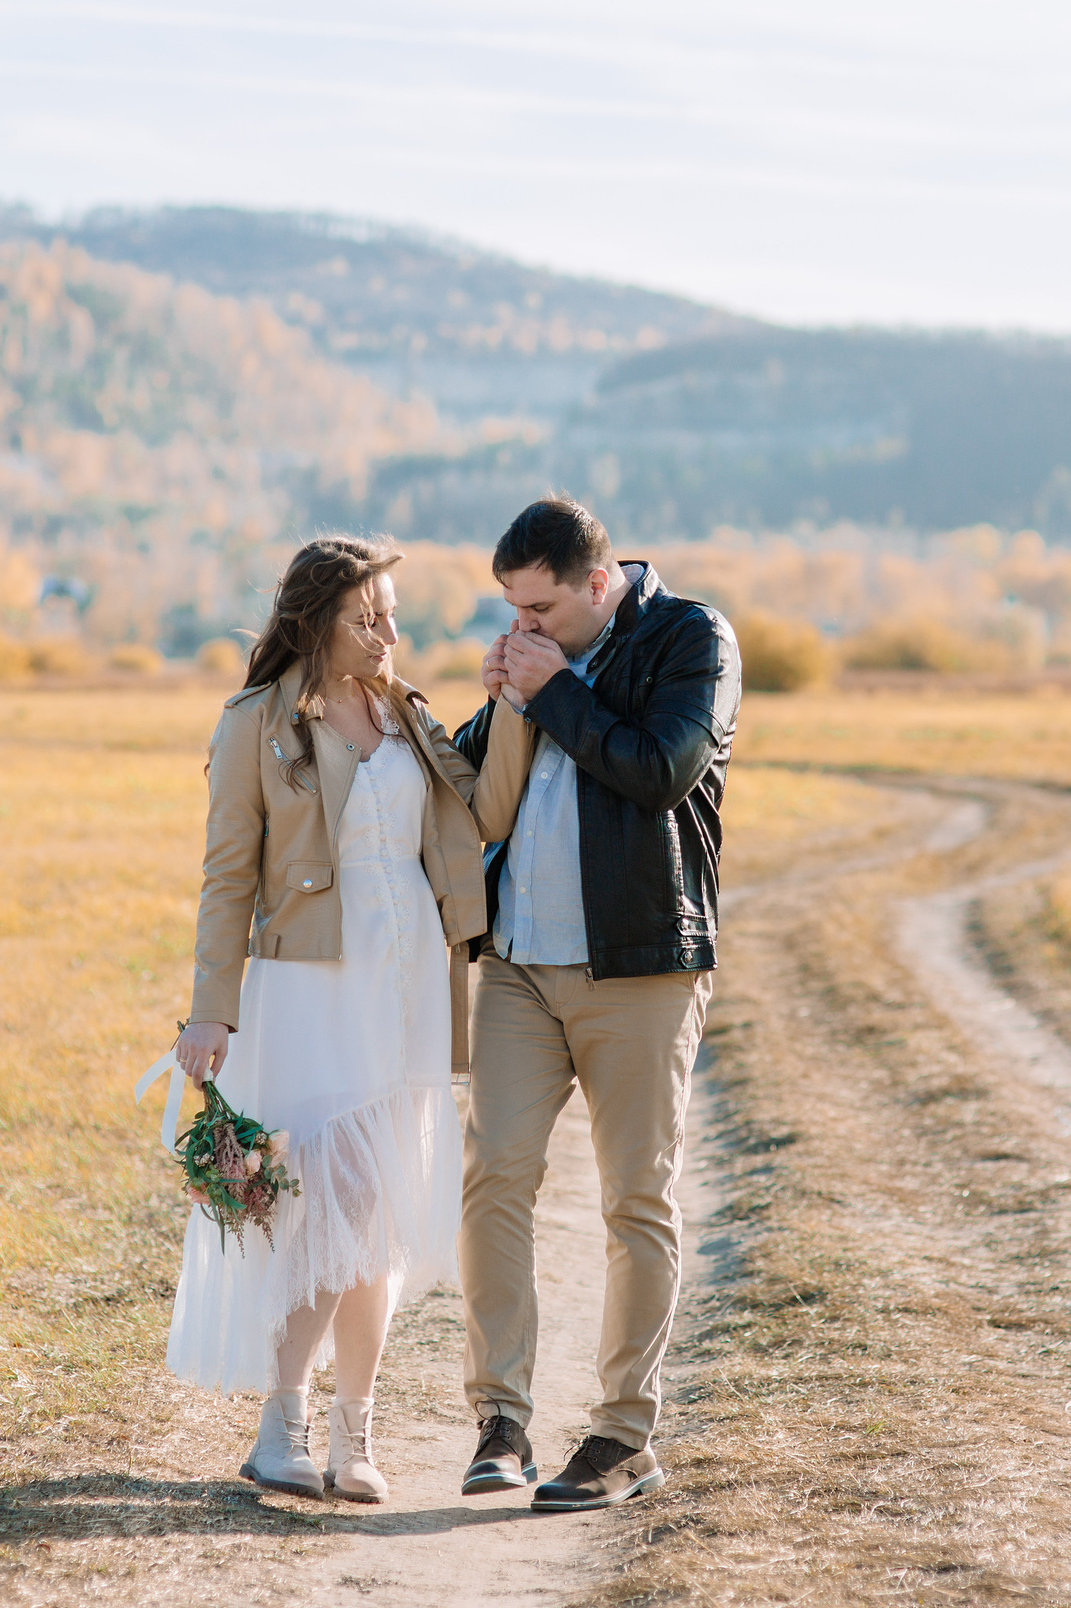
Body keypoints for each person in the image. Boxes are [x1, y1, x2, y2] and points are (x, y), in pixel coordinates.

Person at [168, 536, 533, 1502]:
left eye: (395, 615)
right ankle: (280, 1422)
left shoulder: (408, 713)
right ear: (321, 619)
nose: (390, 632)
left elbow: (483, 817)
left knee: (374, 1217)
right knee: (333, 1201)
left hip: (407, 986)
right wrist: (209, 1012)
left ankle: (351, 1438)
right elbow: (225, 877)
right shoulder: (257, 720)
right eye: (370, 617)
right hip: (312, 991)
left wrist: (514, 707)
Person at [453, 495, 741, 1512]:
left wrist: (555, 690)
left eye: (539, 610)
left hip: (641, 968)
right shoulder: (542, 662)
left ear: (596, 583)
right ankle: (500, 1419)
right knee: (493, 1180)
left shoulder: (689, 636)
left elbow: (660, 770)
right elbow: (477, 794)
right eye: (510, 613)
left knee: (635, 1202)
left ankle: (624, 1435)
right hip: (520, 967)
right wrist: (492, 711)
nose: (521, 629)